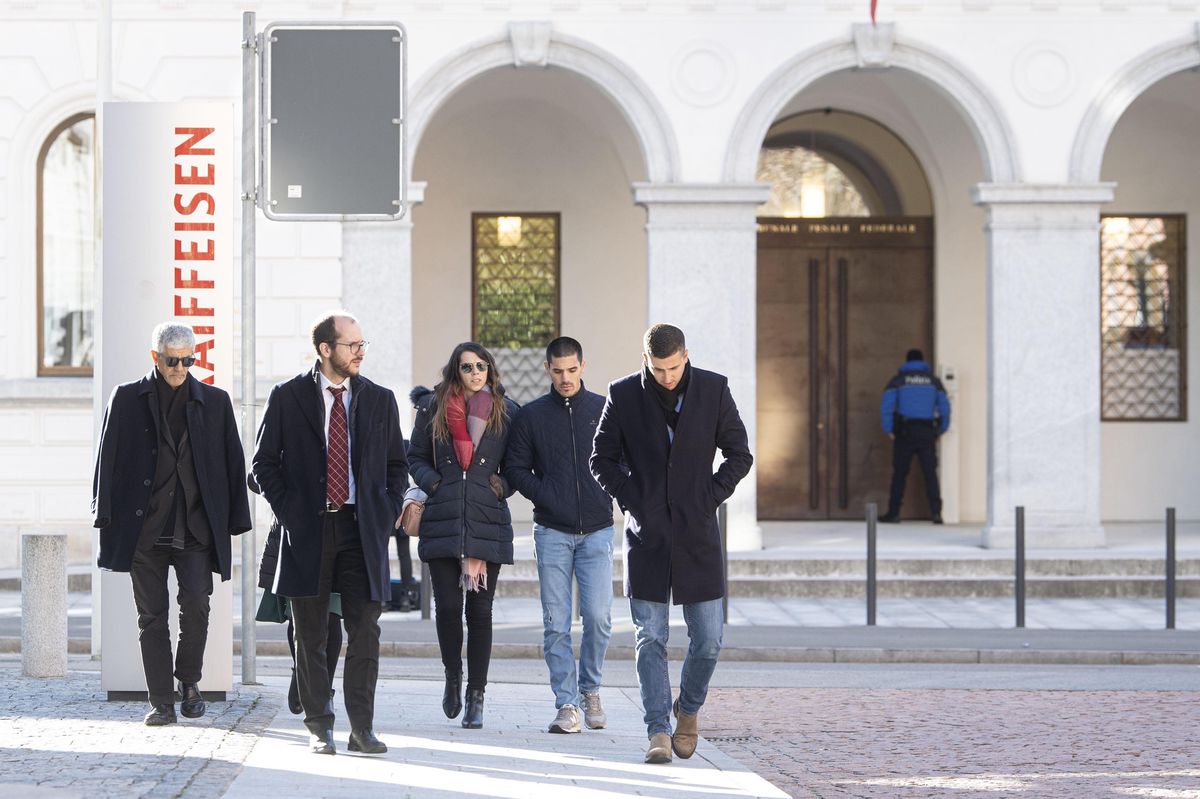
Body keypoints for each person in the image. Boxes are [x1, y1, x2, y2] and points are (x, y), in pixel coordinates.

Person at [590, 323, 753, 765]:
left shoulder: (714, 389)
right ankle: (658, 729)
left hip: (698, 533)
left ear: (686, 355)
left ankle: (689, 709)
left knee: (710, 639)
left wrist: (709, 496)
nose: (667, 377)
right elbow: (600, 458)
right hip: (646, 535)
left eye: (675, 367)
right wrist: (631, 499)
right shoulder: (623, 394)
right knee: (651, 639)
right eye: (659, 369)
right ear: (646, 360)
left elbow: (740, 454)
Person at [252, 311, 408, 756]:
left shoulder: (380, 399)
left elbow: (397, 465)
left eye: (362, 344)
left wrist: (387, 510)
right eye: (351, 344)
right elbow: (263, 464)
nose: (360, 351)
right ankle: (319, 725)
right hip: (308, 530)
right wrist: (293, 514)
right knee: (310, 635)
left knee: (366, 632)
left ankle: (363, 728)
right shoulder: (287, 396)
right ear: (325, 349)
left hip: (363, 530)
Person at [92, 322, 251, 726]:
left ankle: (190, 683)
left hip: (196, 527)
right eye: (171, 360)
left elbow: (233, 462)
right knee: (151, 616)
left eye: (188, 360)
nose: (180, 368)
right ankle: (161, 701)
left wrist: (235, 519)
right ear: (155, 357)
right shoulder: (127, 398)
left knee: (197, 605)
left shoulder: (214, 402)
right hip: (144, 529)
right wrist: (103, 510)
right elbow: (107, 455)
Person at [505, 336, 614, 735]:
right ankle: (566, 704)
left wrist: (610, 493)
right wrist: (548, 494)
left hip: (598, 531)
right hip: (551, 530)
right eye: (558, 371)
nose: (565, 378)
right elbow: (516, 469)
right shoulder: (532, 416)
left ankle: (591, 690)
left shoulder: (604, 410)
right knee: (556, 623)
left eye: (572, 370)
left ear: (582, 366)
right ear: (547, 369)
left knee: (600, 619)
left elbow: (624, 461)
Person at [408, 342, 519, 730]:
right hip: (443, 517)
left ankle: (477, 694)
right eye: (467, 366)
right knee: (449, 609)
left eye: (481, 366)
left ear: (490, 370)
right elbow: (414, 456)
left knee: (481, 612)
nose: (475, 372)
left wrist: (500, 486)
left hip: (486, 520)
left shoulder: (506, 412)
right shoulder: (432, 408)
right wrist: (433, 483)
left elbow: (518, 466)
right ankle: (452, 676)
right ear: (456, 370)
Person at [249, 474, 343, 716]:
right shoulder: (287, 434)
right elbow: (256, 475)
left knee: (331, 617)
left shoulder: (346, 435)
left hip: (339, 531)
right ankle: (302, 674)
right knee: (298, 617)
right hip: (295, 533)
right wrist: (286, 500)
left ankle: (323, 691)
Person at [878, 348, 951, 524]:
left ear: (907, 361)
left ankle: (894, 513)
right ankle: (936, 514)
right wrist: (941, 429)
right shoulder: (934, 382)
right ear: (922, 361)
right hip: (927, 432)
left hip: (905, 432)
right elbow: (945, 408)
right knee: (930, 474)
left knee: (900, 474)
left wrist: (889, 429)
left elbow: (886, 406)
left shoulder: (898, 381)